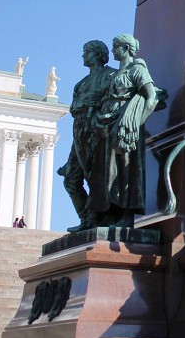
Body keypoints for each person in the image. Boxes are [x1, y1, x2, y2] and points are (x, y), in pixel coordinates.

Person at [90, 35, 167, 229]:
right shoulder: (115, 74)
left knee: (126, 171)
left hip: (126, 129)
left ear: (126, 48)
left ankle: (127, 214)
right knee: (108, 171)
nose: (113, 51)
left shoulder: (138, 69)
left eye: (116, 47)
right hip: (108, 126)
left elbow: (151, 98)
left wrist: (135, 123)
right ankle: (110, 213)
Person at [59, 40, 115, 232]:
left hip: (97, 130)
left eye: (87, 52)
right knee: (70, 179)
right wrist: (84, 102)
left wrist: (96, 102)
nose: (83, 56)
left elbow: (115, 100)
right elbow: (72, 107)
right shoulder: (81, 83)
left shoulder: (111, 75)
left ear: (98, 54)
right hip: (79, 132)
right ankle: (86, 218)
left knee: (95, 177)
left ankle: (93, 219)